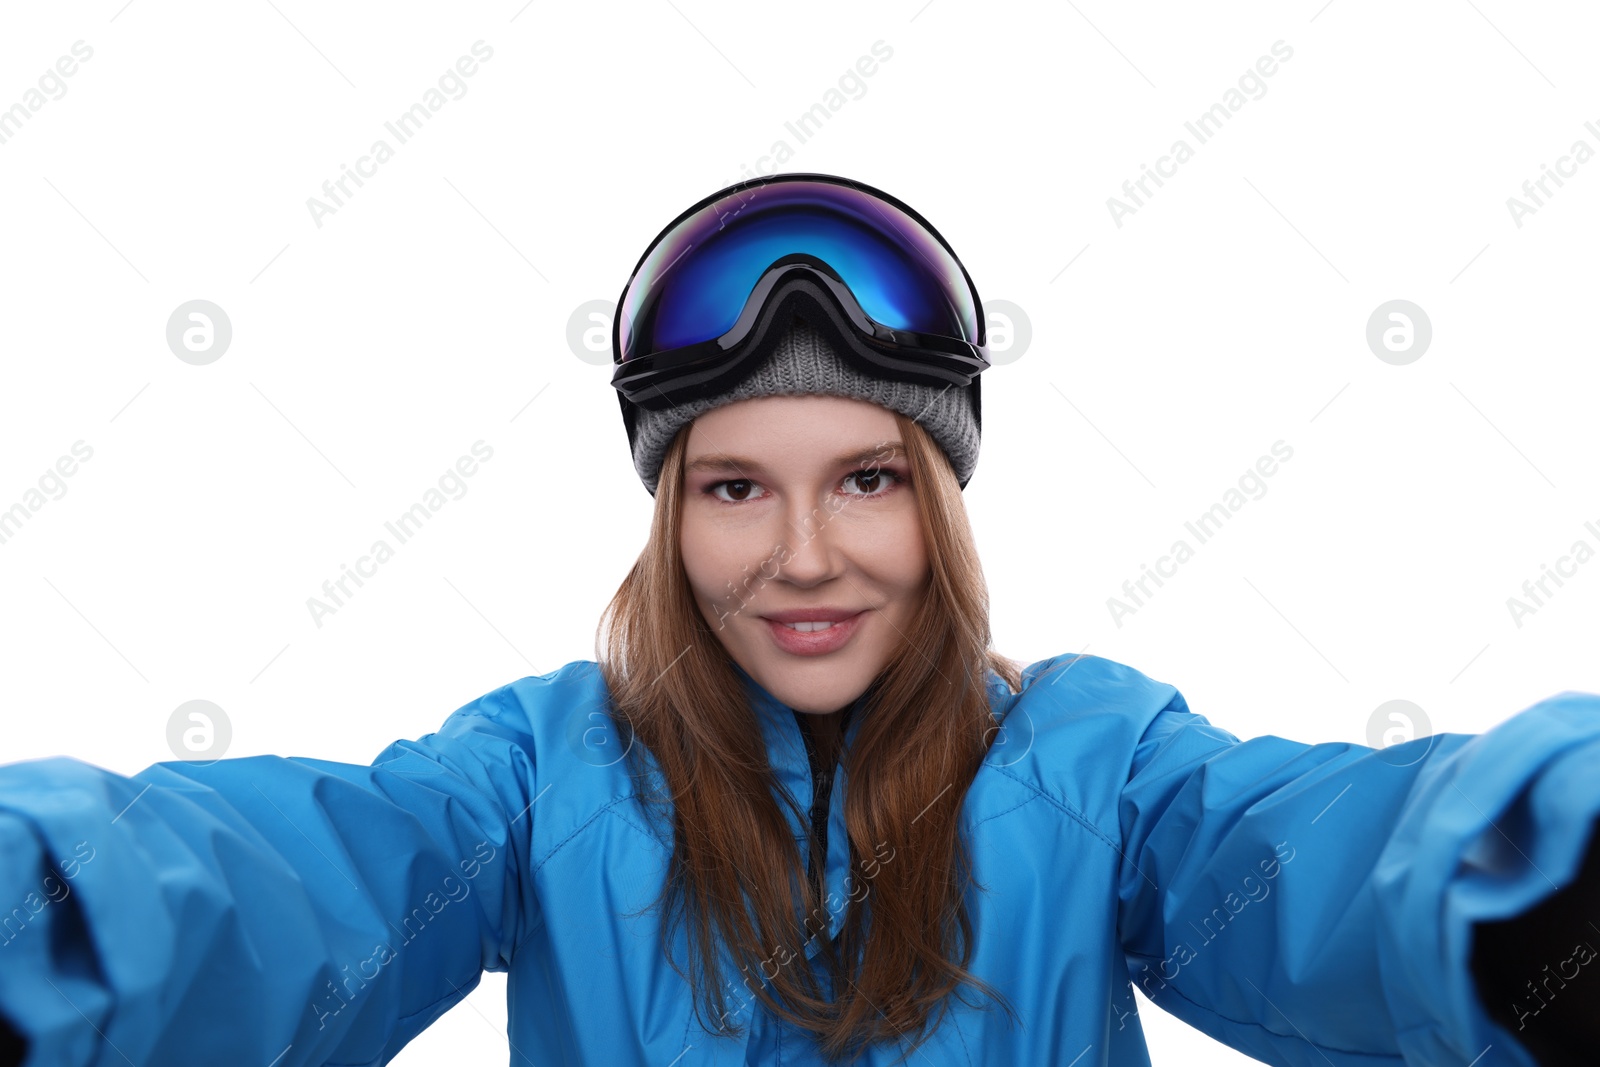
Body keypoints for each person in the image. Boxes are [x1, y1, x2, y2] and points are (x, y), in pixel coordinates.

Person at [0, 173, 1595, 1067]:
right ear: (670, 514)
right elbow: (284, 883)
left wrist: (1549, 881)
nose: (807, 557)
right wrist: (40, 919)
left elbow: (1332, 870)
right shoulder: (539, 774)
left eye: (870, 480)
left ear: (942, 506)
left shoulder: (1098, 768)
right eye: (737, 489)